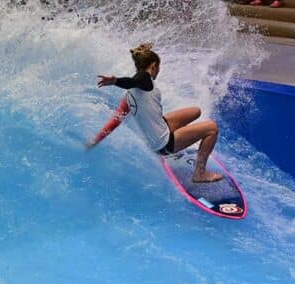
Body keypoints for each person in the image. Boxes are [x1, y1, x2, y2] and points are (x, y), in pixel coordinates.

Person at [88, 44, 223, 184]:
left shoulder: (129, 96)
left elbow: (115, 121)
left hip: (156, 135)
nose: (159, 70)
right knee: (212, 128)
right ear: (153, 66)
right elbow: (133, 81)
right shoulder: (145, 80)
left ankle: (183, 138)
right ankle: (199, 174)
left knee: (196, 111)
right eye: (158, 66)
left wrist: (95, 140)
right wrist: (115, 81)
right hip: (163, 144)